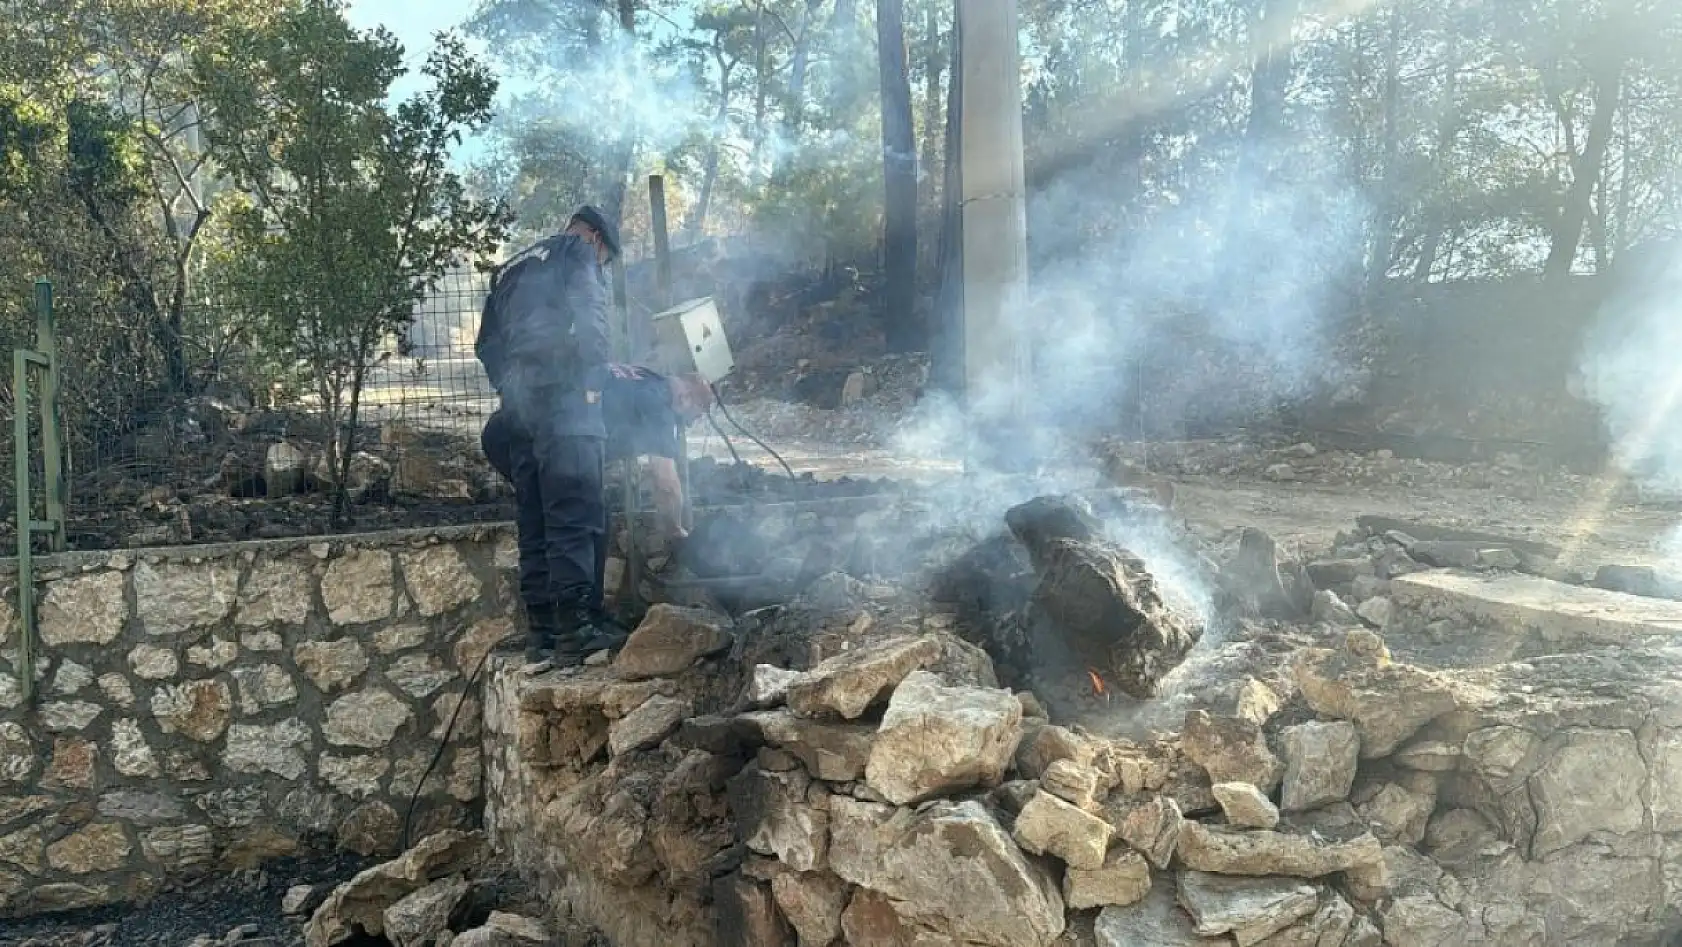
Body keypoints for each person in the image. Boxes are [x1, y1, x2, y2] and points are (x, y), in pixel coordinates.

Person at [474, 205, 624, 666]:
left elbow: (486, 345)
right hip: (564, 396)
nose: (600, 270)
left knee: (535, 515)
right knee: (574, 509)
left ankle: (542, 633)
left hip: (520, 406)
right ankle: (577, 628)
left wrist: (512, 389)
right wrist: (593, 384)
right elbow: (591, 316)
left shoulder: (512, 267)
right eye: (605, 263)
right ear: (597, 240)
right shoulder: (576, 252)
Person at [481, 364, 715, 641]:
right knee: (577, 520)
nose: (688, 425)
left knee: (584, 518)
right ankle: (574, 624)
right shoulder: (659, 405)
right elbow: (666, 483)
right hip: (533, 439)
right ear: (685, 397)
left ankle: (566, 622)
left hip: (517, 429)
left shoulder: (648, 378)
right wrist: (675, 529)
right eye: (693, 417)